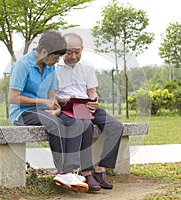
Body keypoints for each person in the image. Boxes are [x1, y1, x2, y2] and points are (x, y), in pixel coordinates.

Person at [8, 30, 90, 193]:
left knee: (75, 121)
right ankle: (62, 172)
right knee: (56, 124)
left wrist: (56, 107)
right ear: (44, 52)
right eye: (55, 57)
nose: (57, 60)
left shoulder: (50, 67)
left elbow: (51, 97)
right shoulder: (22, 65)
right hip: (22, 113)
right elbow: (13, 98)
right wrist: (43, 102)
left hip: (44, 112)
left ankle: (71, 171)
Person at [55, 33, 124, 191]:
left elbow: (92, 90)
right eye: (69, 52)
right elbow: (50, 96)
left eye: (77, 52)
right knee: (85, 124)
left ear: (82, 50)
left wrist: (94, 100)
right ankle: (86, 172)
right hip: (65, 106)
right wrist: (64, 100)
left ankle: (101, 169)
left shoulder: (87, 65)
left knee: (116, 126)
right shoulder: (54, 67)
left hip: (86, 104)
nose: (73, 56)